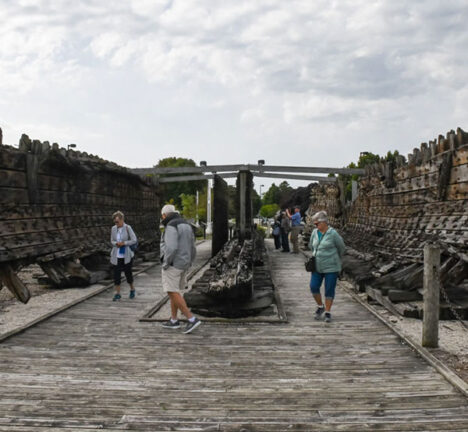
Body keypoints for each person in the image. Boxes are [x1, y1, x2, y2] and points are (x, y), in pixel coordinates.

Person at [160, 204, 201, 334]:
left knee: (171, 291)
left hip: (174, 264)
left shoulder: (171, 226)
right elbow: (193, 246)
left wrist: (166, 262)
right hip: (185, 263)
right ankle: (173, 320)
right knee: (175, 290)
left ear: (164, 215)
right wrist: (190, 261)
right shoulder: (186, 224)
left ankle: (191, 318)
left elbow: (171, 247)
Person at [308, 211, 345, 323]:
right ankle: (320, 306)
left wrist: (334, 258)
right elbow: (311, 246)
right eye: (315, 224)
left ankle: (328, 312)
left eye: (317, 223)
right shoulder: (314, 232)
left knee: (329, 289)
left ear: (324, 222)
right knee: (313, 286)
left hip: (331, 267)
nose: (316, 226)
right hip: (317, 266)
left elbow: (341, 248)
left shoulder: (333, 233)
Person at [110, 211, 137, 301]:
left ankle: (132, 289)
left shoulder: (127, 228)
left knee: (128, 273)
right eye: (115, 222)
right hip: (116, 255)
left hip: (126, 255)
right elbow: (112, 240)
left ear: (122, 220)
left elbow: (134, 240)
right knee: (116, 275)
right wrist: (116, 243)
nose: (116, 223)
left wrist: (124, 243)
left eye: (117, 221)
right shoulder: (113, 229)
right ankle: (118, 293)